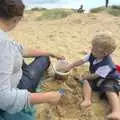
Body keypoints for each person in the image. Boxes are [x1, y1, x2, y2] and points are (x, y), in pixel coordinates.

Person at [0, 0, 64, 120]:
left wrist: (51, 52)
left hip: (13, 71)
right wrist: (47, 97)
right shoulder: (3, 44)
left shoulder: (4, 39)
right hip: (17, 85)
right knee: (44, 59)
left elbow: (21, 50)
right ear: (16, 19)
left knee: (43, 55)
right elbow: (3, 98)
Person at [63, 34, 120, 120]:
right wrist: (71, 66)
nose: (91, 49)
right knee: (86, 82)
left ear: (104, 53)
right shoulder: (92, 54)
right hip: (98, 78)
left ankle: (116, 111)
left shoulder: (107, 65)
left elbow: (94, 76)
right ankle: (87, 100)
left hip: (109, 79)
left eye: (94, 49)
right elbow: (81, 61)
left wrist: (85, 76)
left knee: (110, 90)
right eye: (92, 47)